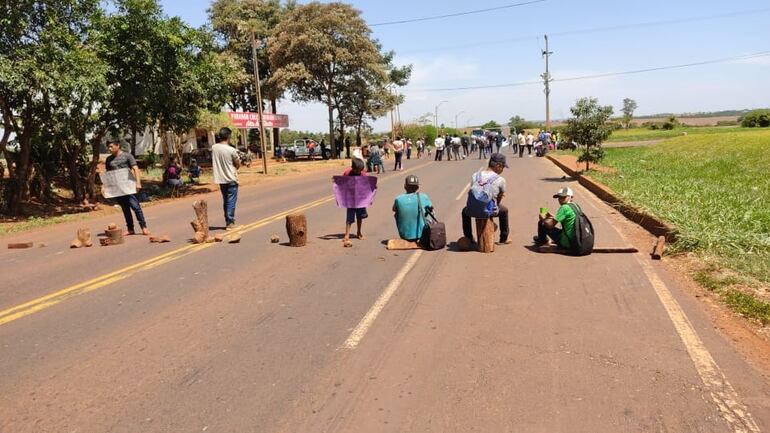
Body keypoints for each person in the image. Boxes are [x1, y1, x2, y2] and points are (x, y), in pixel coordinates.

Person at [461, 153, 510, 245]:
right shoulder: (501, 180)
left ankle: (469, 237)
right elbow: (499, 197)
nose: (502, 170)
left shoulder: (475, 175)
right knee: (504, 211)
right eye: (502, 167)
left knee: (464, 212)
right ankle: (504, 238)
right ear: (498, 165)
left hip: (471, 210)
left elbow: (475, 193)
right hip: (489, 211)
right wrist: (495, 202)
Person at [105, 139, 150, 236]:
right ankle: (130, 229)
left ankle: (144, 227)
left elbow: (135, 169)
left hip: (128, 186)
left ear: (118, 145)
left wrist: (138, 183)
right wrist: (105, 186)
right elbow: (108, 174)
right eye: (108, 147)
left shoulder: (127, 156)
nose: (110, 149)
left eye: (111, 146)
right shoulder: (109, 160)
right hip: (118, 188)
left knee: (135, 207)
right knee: (125, 209)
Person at [212, 127, 241, 230]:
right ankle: (230, 223)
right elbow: (238, 164)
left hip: (220, 179)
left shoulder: (214, 148)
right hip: (231, 178)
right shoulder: (231, 150)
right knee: (231, 201)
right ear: (228, 136)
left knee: (226, 200)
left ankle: (228, 221)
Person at [392, 175, 433, 242]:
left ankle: (406, 233)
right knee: (430, 210)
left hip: (404, 236)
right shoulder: (423, 196)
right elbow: (431, 208)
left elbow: (394, 209)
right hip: (421, 235)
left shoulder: (398, 199)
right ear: (417, 187)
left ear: (405, 186)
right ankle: (424, 231)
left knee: (397, 213)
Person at [343, 158, 369, 242]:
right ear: (352, 168)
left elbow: (367, 185)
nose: (359, 172)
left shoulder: (363, 174)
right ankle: (347, 234)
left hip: (360, 199)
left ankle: (359, 232)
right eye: (357, 170)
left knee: (360, 216)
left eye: (360, 170)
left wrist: (373, 186)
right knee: (349, 217)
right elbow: (342, 183)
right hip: (350, 199)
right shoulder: (347, 173)